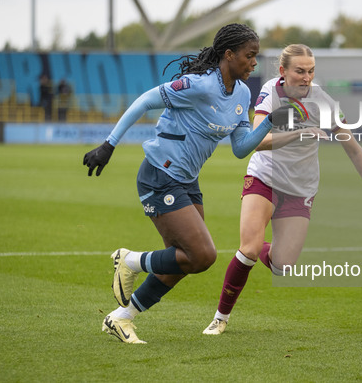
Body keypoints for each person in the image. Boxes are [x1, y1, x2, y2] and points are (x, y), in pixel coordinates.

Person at [83, 23, 284, 344]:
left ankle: (121, 318)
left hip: (187, 181)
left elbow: (241, 147)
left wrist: (272, 121)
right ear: (229, 55)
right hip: (160, 175)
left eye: (255, 56)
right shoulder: (198, 85)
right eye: (250, 56)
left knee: (186, 260)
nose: (254, 63)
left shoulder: (242, 93)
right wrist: (109, 144)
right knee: (202, 255)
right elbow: (144, 102)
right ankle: (129, 259)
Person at [202, 44, 362, 335]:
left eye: (311, 71)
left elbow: (353, 149)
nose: (307, 77)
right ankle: (220, 318)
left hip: (300, 189)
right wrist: (298, 133)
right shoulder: (271, 91)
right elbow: (258, 139)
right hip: (265, 177)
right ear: (283, 72)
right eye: (300, 71)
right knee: (249, 249)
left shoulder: (323, 102)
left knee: (282, 266)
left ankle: (259, 249)